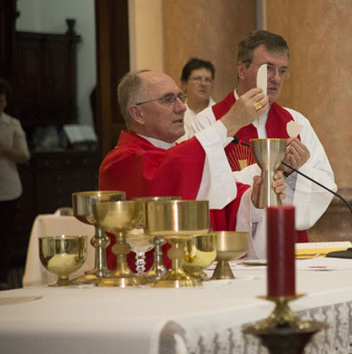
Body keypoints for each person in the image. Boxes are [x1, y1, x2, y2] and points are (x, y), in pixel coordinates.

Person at [99, 70, 284, 268]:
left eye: (181, 97)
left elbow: (217, 208)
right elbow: (170, 174)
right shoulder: (121, 160)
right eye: (168, 99)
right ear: (138, 113)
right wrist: (230, 122)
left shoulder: (180, 155)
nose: (181, 108)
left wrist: (253, 199)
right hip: (143, 283)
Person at [191, 30, 336, 248]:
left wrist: (298, 171)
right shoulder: (209, 122)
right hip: (233, 247)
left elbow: (325, 182)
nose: (276, 78)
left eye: (282, 70)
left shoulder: (297, 122)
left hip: (287, 243)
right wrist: (268, 174)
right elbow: (201, 185)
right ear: (242, 69)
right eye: (268, 68)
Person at [0, 78, 30, 288]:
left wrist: (4, 149)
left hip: (7, 187)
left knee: (4, 236)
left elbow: (24, 155)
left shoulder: (12, 124)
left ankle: (2, 279)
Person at [178, 58, 217, 141]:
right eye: (197, 79)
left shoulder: (220, 114)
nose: (203, 84)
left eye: (208, 80)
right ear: (184, 83)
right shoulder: (176, 112)